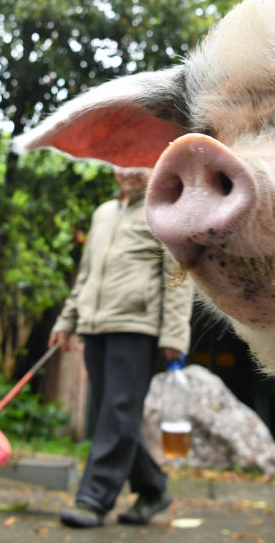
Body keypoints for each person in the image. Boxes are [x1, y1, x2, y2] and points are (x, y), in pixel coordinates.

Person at [49, 166, 194, 529]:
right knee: (116, 416)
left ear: (153, 165)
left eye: (136, 163)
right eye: (120, 162)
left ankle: (93, 498)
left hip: (138, 328)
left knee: (117, 412)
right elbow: (85, 275)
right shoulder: (102, 213)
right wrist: (66, 321)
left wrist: (174, 337)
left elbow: (177, 279)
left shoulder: (165, 210)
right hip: (95, 326)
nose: (127, 170)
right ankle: (153, 489)